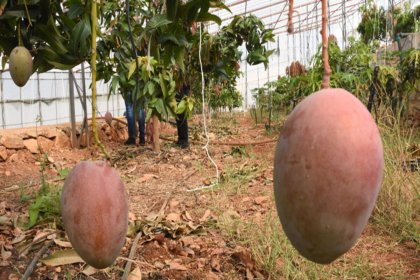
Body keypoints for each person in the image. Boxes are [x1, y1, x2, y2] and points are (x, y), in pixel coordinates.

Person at [176, 82, 189, 149]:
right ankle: (180, 139)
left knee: (182, 116)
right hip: (179, 89)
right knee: (178, 116)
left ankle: (184, 141)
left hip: (183, 89)